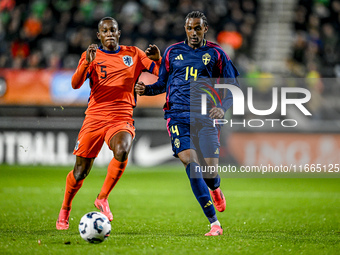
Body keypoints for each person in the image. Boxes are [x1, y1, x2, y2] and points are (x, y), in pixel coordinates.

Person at [135, 11, 240, 236]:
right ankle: (214, 223)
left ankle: (216, 187)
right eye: (190, 28)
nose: (193, 32)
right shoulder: (172, 52)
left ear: (205, 29)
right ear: (185, 29)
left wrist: (222, 107)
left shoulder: (217, 54)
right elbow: (163, 83)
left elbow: (234, 87)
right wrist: (147, 90)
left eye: (198, 28)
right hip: (177, 115)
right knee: (191, 166)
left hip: (206, 116)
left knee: (210, 172)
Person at [56, 17, 161, 230]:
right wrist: (87, 61)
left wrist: (158, 61)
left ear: (119, 32)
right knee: (80, 172)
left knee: (122, 150)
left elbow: (161, 74)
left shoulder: (134, 54)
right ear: (99, 35)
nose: (110, 33)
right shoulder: (91, 56)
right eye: (105, 31)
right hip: (94, 117)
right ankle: (65, 208)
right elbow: (75, 84)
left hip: (121, 116)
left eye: (113, 30)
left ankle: (102, 197)